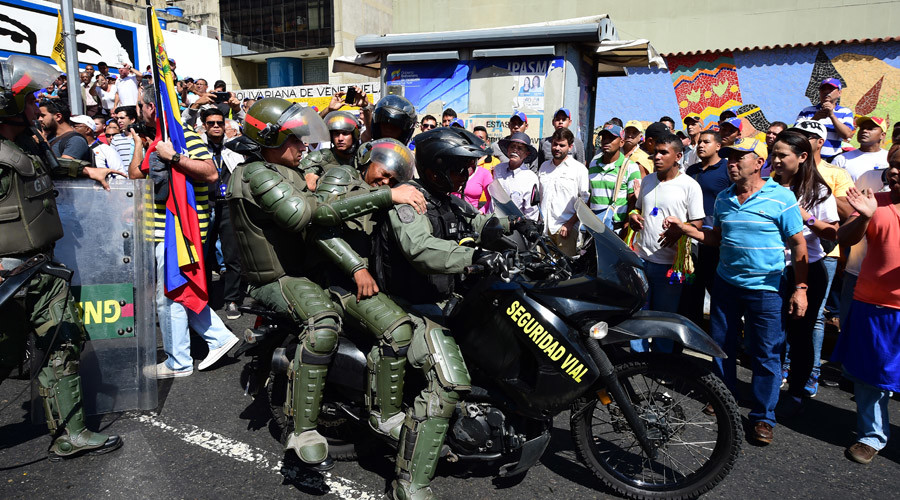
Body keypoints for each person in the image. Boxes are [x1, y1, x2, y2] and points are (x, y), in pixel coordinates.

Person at [227, 98, 413, 468]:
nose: (303, 147)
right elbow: (306, 216)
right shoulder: (256, 173)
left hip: (311, 272)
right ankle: (303, 428)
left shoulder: (286, 172)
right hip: (277, 277)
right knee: (322, 324)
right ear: (268, 140)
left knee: (397, 328)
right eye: (293, 140)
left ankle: (386, 414)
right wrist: (386, 194)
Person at [373, 126, 529, 499]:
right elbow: (421, 249)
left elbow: (478, 222)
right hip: (410, 307)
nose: (466, 175)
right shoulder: (408, 202)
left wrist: (517, 225)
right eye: (460, 168)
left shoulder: (451, 199)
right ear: (434, 167)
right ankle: (409, 484)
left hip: (445, 300)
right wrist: (475, 256)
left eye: (469, 169)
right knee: (446, 383)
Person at [0, 54, 123, 461]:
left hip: (41, 267)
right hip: (6, 275)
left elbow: (50, 169)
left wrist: (89, 171)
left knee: (62, 342)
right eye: (30, 102)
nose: (39, 107)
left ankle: (71, 432)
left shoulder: (24, 145)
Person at [661, 137, 807, 445]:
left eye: (740, 157)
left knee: (766, 353)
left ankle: (763, 417)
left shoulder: (781, 197)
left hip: (767, 289)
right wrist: (686, 229)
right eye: (729, 158)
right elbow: (716, 238)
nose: (732, 162)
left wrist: (801, 288)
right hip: (727, 284)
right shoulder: (724, 198)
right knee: (722, 345)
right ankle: (724, 399)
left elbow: (798, 244)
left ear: (758, 163)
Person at [129, 86, 238, 379]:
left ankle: (178, 361)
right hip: (163, 231)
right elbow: (136, 174)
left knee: (170, 296)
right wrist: (142, 144)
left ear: (152, 107)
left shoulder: (183, 137)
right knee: (179, 291)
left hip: (178, 231)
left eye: (141, 105)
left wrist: (173, 156)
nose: (137, 110)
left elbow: (211, 172)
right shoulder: (159, 140)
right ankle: (218, 337)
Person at [831, 152, 900, 465]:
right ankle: (871, 435)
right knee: (869, 376)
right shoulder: (874, 200)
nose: (894, 171)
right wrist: (864, 217)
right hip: (872, 303)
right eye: (893, 164)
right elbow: (842, 237)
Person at [770, 130, 838, 411]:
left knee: (801, 333)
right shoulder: (768, 186)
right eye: (773, 154)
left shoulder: (818, 191)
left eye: (782, 155)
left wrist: (804, 216)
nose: (775, 160)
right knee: (772, 333)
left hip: (808, 269)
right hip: (773, 267)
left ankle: (796, 388)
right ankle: (768, 390)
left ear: (802, 157)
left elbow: (832, 233)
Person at [788, 119, 855, 393]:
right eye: (798, 134)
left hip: (820, 255)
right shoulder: (779, 171)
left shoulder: (833, 173)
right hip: (783, 259)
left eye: (808, 136)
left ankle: (809, 373)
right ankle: (785, 367)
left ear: (819, 142)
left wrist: (817, 184)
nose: (802, 138)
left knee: (812, 317)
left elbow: (842, 217)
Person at [629, 134, 704, 352]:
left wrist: (680, 230)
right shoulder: (648, 180)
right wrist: (634, 216)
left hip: (670, 265)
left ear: (678, 156)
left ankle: (662, 363)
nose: (657, 157)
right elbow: (639, 209)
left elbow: (698, 223)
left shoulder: (689, 186)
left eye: (664, 152)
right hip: (642, 259)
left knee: (665, 317)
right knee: (639, 314)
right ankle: (638, 360)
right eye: (656, 152)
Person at [679, 130, 731, 326]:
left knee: (717, 290)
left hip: (715, 239)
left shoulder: (726, 169)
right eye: (699, 142)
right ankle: (692, 331)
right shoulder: (691, 170)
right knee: (691, 289)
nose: (700, 145)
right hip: (691, 238)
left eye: (706, 142)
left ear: (718, 146)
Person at [199, 107, 245, 320]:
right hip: (205, 205)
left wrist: (238, 110)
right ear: (204, 126)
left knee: (232, 254)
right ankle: (205, 301)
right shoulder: (198, 148)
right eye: (211, 123)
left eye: (220, 123)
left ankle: (232, 300)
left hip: (228, 205)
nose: (216, 126)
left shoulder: (234, 147)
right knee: (205, 256)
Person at [538, 128, 589, 256]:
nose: (557, 148)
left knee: (565, 272)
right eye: (555, 144)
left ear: (570, 147)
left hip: (566, 230)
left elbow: (584, 201)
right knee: (543, 269)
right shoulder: (544, 167)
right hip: (544, 229)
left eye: (562, 145)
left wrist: (570, 224)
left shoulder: (579, 169)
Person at [587, 123, 640, 230]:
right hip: (593, 226)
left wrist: (626, 224)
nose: (606, 141)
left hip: (616, 228)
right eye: (604, 138)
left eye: (611, 138)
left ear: (621, 142)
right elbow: (589, 195)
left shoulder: (630, 167)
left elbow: (632, 200)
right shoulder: (593, 165)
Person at [300, 110, 361, 190]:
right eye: (336, 134)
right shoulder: (322, 156)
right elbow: (302, 177)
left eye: (345, 133)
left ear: (354, 135)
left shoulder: (362, 156)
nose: (340, 139)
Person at [796, 78, 855, 161]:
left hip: (833, 159)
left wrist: (832, 116)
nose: (826, 92)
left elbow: (847, 135)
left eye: (831, 89)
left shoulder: (845, 112)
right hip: (808, 158)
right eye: (823, 89)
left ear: (839, 93)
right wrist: (815, 119)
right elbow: (796, 134)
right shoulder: (806, 111)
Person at [493, 131, 540, 220]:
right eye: (512, 146)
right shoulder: (498, 169)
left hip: (515, 228)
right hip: (494, 223)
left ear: (526, 154)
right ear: (508, 150)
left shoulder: (530, 178)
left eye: (520, 148)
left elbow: (531, 211)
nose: (515, 150)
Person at [832, 116, 889, 181]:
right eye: (862, 128)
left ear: (882, 135)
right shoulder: (842, 159)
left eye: (870, 129)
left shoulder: (889, 158)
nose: (864, 131)